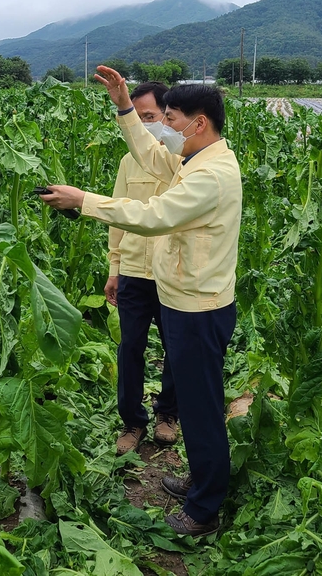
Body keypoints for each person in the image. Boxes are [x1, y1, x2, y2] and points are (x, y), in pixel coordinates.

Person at [40, 66, 242, 538]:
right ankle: (203, 480)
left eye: (171, 119)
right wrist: (124, 106)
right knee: (195, 404)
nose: (165, 129)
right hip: (185, 300)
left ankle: (204, 508)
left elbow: (153, 215)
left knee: (201, 407)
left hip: (199, 308)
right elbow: (152, 158)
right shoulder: (196, 161)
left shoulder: (210, 176)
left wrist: (83, 201)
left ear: (199, 124)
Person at [105, 81, 179, 457]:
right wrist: (114, 266)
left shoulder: (184, 161)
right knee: (130, 347)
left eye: (148, 116)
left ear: (167, 117)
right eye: (138, 117)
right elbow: (117, 215)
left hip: (171, 273)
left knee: (175, 348)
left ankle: (168, 414)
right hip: (134, 269)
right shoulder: (128, 161)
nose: (143, 124)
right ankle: (132, 422)